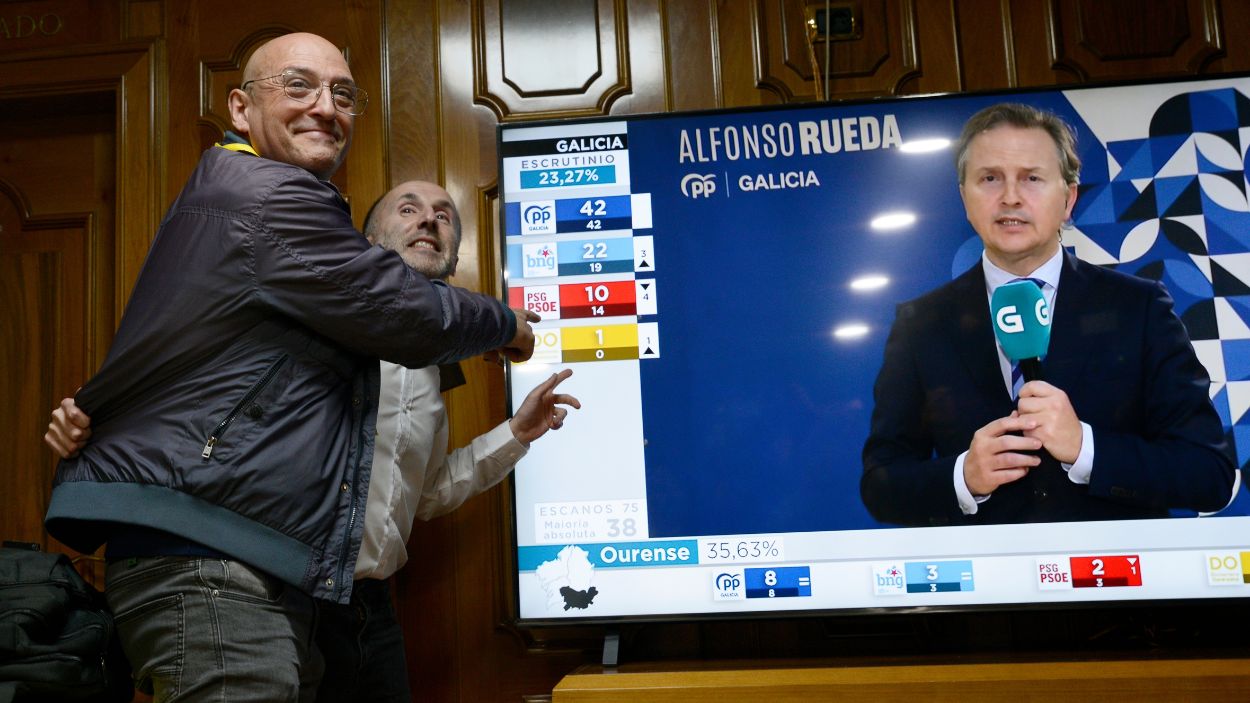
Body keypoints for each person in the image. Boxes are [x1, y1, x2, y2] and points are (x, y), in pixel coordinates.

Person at [41, 32, 536, 701]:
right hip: (213, 557)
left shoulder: (255, 222)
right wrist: (507, 325)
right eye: (298, 85)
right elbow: (403, 310)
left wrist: (94, 414)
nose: (326, 107)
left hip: (280, 572)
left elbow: (187, 363)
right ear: (240, 109)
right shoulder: (271, 200)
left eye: (343, 93)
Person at [860, 102, 1236, 527]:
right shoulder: (921, 324)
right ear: (964, 197)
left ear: (1068, 198)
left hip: (1118, 585)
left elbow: (1210, 474)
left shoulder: (1140, 308)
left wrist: (1086, 449)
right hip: (986, 587)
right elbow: (880, 484)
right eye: (989, 179)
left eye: (1032, 178)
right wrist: (962, 478)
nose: (1011, 197)